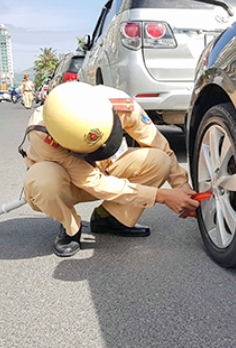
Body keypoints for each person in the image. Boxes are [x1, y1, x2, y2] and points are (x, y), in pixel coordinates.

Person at [18, 82, 200, 257]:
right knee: (43, 182)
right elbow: (93, 182)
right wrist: (162, 196)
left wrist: (181, 185)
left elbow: (158, 144)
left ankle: (111, 219)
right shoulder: (43, 133)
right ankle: (70, 226)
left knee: (159, 161)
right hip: (66, 181)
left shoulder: (121, 105)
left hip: (106, 169)